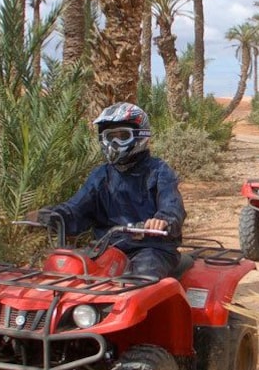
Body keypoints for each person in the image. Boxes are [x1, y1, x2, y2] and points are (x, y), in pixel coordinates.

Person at [32, 102, 186, 280]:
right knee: (69, 274)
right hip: (107, 248)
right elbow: (78, 208)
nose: (114, 143)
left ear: (140, 136)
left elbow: (172, 205)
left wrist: (163, 220)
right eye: (110, 137)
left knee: (140, 282)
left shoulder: (159, 171)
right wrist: (54, 215)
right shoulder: (101, 175)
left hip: (152, 248)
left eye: (122, 136)